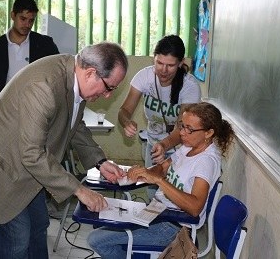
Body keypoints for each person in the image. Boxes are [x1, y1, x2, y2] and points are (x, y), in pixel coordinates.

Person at [0, 42, 129, 258]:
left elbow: (74, 122)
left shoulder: (74, 76)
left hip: (28, 165)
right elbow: (32, 154)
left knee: (39, 227)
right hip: (1, 166)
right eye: (110, 88)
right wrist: (79, 190)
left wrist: (99, 161)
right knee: (17, 241)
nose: (108, 96)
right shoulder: (45, 86)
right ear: (91, 73)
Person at [87, 102, 235, 259]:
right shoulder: (189, 146)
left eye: (189, 129)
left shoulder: (206, 162)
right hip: (157, 212)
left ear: (208, 133)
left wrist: (158, 181)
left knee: (96, 240)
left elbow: (195, 207)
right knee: (103, 221)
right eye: (181, 126)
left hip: (173, 227)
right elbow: (163, 167)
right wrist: (144, 173)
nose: (182, 133)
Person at [117, 34, 201, 199]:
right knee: (152, 193)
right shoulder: (144, 77)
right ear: (153, 59)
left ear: (181, 63)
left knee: (174, 196)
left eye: (170, 65)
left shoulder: (189, 86)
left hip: (180, 150)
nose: (163, 70)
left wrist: (165, 144)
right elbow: (124, 110)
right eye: (159, 63)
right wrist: (126, 122)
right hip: (154, 146)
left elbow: (183, 128)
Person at [0, 0, 59, 122]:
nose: (27, 24)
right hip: (4, 112)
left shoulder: (44, 44)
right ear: (13, 15)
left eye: (31, 20)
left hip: (36, 111)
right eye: (23, 18)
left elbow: (57, 75)